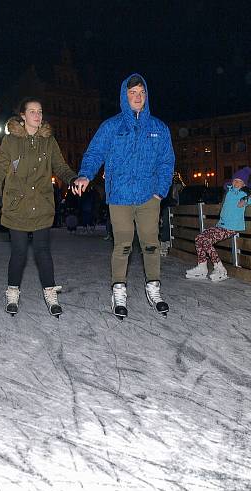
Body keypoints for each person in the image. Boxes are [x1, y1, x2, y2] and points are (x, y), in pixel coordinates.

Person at [72, 74, 175, 319]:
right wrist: (85, 175)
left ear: (146, 96)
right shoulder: (112, 126)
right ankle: (119, 289)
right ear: (124, 96)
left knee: (151, 243)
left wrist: (160, 191)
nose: (137, 97)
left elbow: (167, 161)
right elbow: (95, 152)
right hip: (119, 195)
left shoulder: (158, 128)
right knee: (124, 244)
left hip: (149, 196)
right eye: (132, 93)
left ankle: (154, 287)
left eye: (141, 92)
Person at [0, 97, 78, 317]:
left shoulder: (49, 141)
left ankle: (50, 292)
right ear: (23, 116)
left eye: (39, 111)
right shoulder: (10, 142)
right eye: (32, 112)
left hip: (41, 204)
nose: (37, 115)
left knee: (42, 251)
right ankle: (12, 292)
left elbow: (61, 166)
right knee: (19, 252)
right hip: (17, 205)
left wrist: (73, 179)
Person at [186, 167, 251, 281]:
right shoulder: (229, 192)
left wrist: (246, 201)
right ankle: (202, 267)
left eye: (239, 181)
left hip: (231, 227)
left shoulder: (244, 194)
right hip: (221, 226)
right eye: (235, 180)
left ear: (244, 184)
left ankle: (220, 269)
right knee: (199, 238)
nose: (236, 183)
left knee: (205, 241)